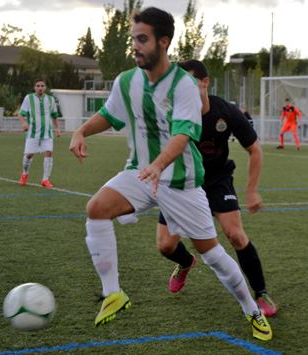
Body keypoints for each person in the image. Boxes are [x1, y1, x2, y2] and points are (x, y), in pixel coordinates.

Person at [69, 7, 271, 341]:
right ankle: (114, 294)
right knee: (96, 210)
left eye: (142, 39)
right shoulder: (126, 81)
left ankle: (251, 309)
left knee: (213, 254)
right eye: (133, 38)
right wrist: (81, 132)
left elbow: (182, 135)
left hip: (181, 183)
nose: (135, 45)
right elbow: (109, 114)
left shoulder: (183, 86)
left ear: (163, 42)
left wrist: (160, 165)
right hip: (141, 173)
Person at [154, 59, 277, 319]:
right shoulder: (172, 114)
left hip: (217, 180)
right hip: (183, 182)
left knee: (236, 235)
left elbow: (254, 149)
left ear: (205, 83)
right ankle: (186, 263)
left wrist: (252, 190)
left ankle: (261, 292)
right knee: (165, 246)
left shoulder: (228, 112)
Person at [18, 79, 61, 188]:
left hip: (47, 133)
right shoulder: (29, 98)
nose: (40, 87)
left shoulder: (51, 99)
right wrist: (24, 123)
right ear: (34, 87)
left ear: (45, 87)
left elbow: (55, 116)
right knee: (29, 155)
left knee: (49, 152)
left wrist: (57, 128)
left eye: (42, 85)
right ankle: (24, 173)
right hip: (33, 133)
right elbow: (21, 114)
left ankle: (45, 179)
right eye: (38, 85)